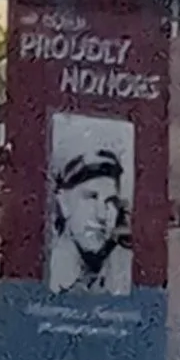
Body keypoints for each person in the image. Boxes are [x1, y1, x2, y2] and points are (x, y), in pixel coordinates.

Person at [47, 124, 132, 297]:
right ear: (64, 202)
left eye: (110, 201)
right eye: (91, 197)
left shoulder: (122, 274)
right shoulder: (47, 271)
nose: (102, 215)